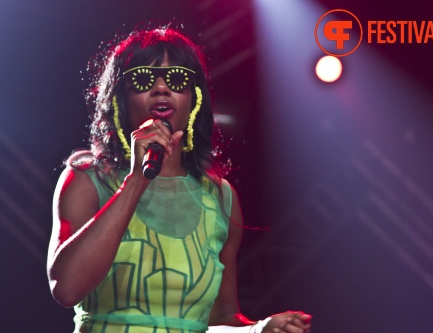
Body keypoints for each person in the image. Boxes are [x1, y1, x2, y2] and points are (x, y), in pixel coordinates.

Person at [47, 24, 312, 333]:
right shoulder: (86, 179)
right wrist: (137, 179)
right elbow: (65, 289)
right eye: (144, 79)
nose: (162, 88)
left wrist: (256, 330)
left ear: (194, 98)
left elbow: (218, 319)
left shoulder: (220, 197)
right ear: (120, 98)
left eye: (177, 79)